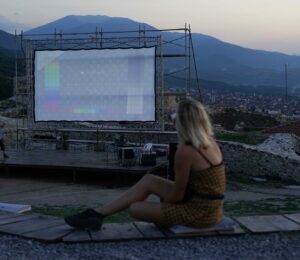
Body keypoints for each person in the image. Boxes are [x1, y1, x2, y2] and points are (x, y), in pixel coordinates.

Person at [64, 99, 225, 231]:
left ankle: (97, 215)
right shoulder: (210, 143)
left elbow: (178, 195)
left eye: (175, 115)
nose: (173, 119)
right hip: (210, 207)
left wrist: (163, 204)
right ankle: (97, 214)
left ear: (183, 123)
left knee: (136, 208)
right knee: (149, 180)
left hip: (200, 213)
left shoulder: (186, 152)